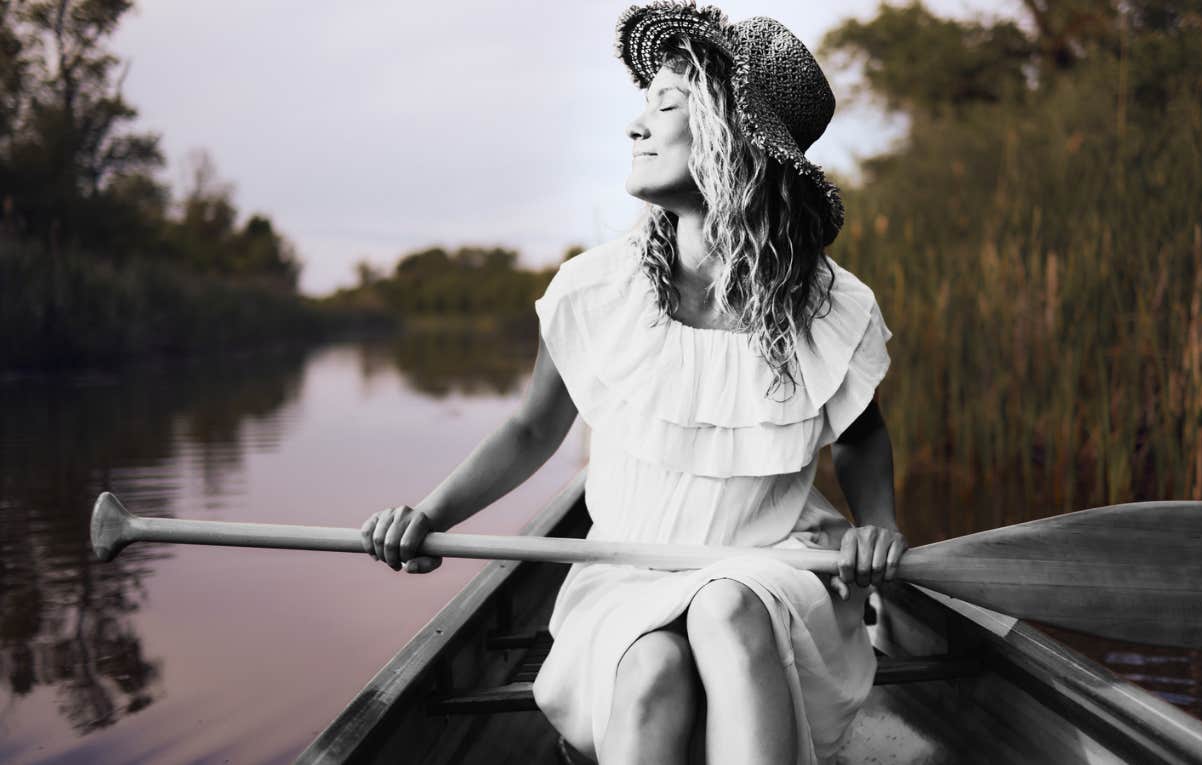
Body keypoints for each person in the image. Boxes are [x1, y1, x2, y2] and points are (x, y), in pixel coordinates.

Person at [358, 3, 906, 763]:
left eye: (666, 104)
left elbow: (863, 435)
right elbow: (530, 430)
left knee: (725, 604)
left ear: (730, 138)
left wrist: (877, 520)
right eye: (642, 106)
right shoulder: (597, 290)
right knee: (650, 668)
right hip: (626, 579)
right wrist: (429, 514)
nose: (636, 127)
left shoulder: (823, 304)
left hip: (770, 570)